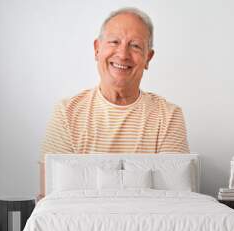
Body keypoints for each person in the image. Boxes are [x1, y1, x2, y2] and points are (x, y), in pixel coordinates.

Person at [37, 7, 189, 200]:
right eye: (114, 42)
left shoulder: (168, 116)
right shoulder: (66, 113)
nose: (123, 54)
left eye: (134, 46)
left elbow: (174, 199)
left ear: (148, 58)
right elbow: (51, 197)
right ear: (97, 49)